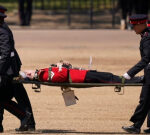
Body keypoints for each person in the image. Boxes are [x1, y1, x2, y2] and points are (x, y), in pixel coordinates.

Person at [0, 5, 35, 132]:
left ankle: (25, 117)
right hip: (8, 68)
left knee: (3, 98)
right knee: (9, 96)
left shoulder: (2, 31)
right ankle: (27, 121)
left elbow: (5, 53)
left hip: (7, 70)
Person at [122, 14, 150, 134]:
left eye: (134, 25)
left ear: (141, 24)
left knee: (145, 99)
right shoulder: (146, 34)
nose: (133, 28)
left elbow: (146, 59)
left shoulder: (148, 38)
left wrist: (130, 73)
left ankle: (136, 126)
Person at [18, 62, 143, 84]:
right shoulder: (42, 75)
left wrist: (63, 64)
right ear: (29, 75)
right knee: (108, 77)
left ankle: (135, 79)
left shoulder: (42, 72)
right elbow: (61, 76)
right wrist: (61, 67)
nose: (27, 70)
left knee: (107, 75)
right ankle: (135, 80)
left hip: (81, 74)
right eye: (26, 72)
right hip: (81, 77)